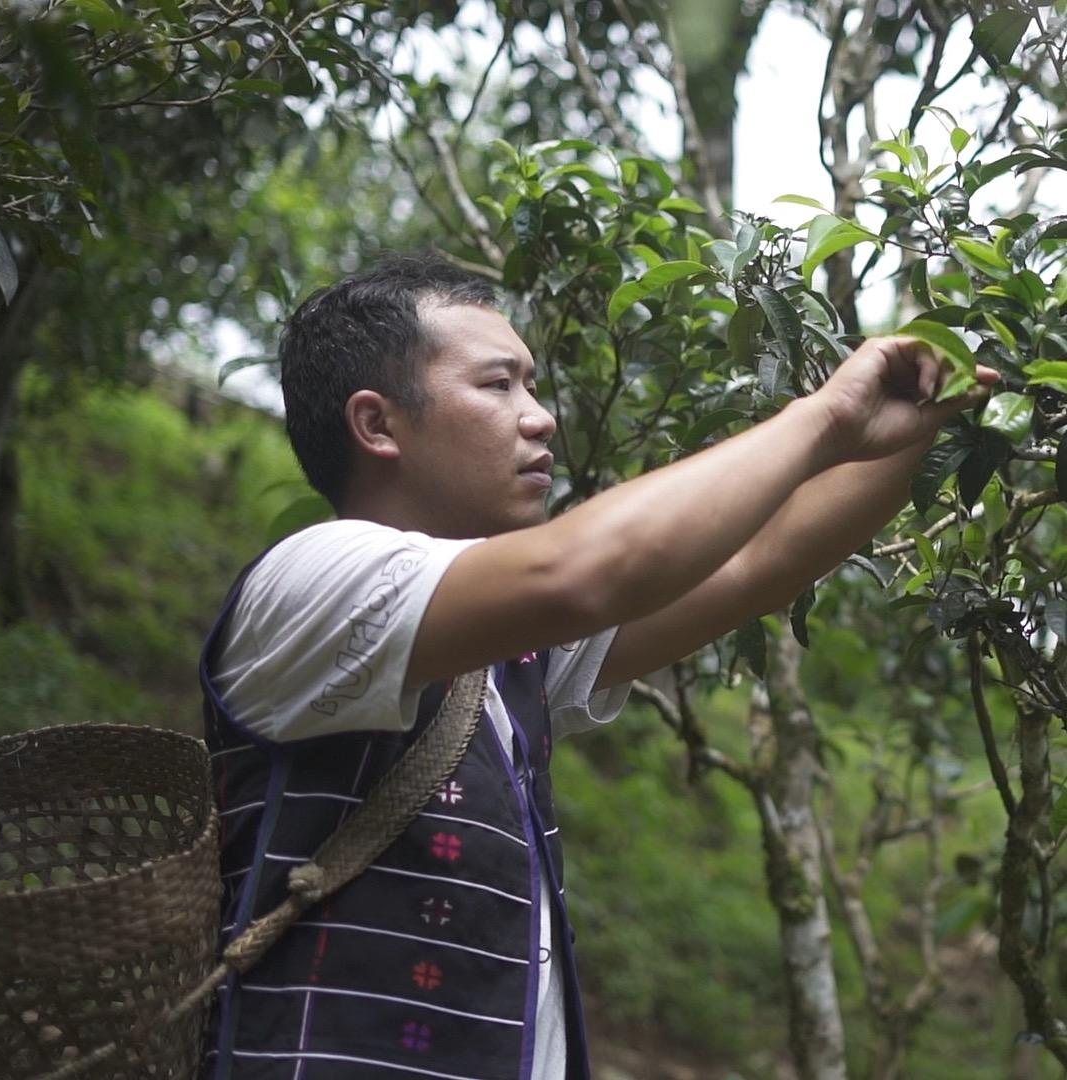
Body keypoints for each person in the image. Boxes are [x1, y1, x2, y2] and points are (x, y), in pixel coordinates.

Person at [199, 252, 996, 1080]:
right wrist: (827, 414)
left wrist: (924, 421)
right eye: (497, 385)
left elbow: (760, 562)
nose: (539, 417)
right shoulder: (312, 580)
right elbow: (586, 571)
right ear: (378, 424)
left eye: (532, 386)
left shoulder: (499, 651)